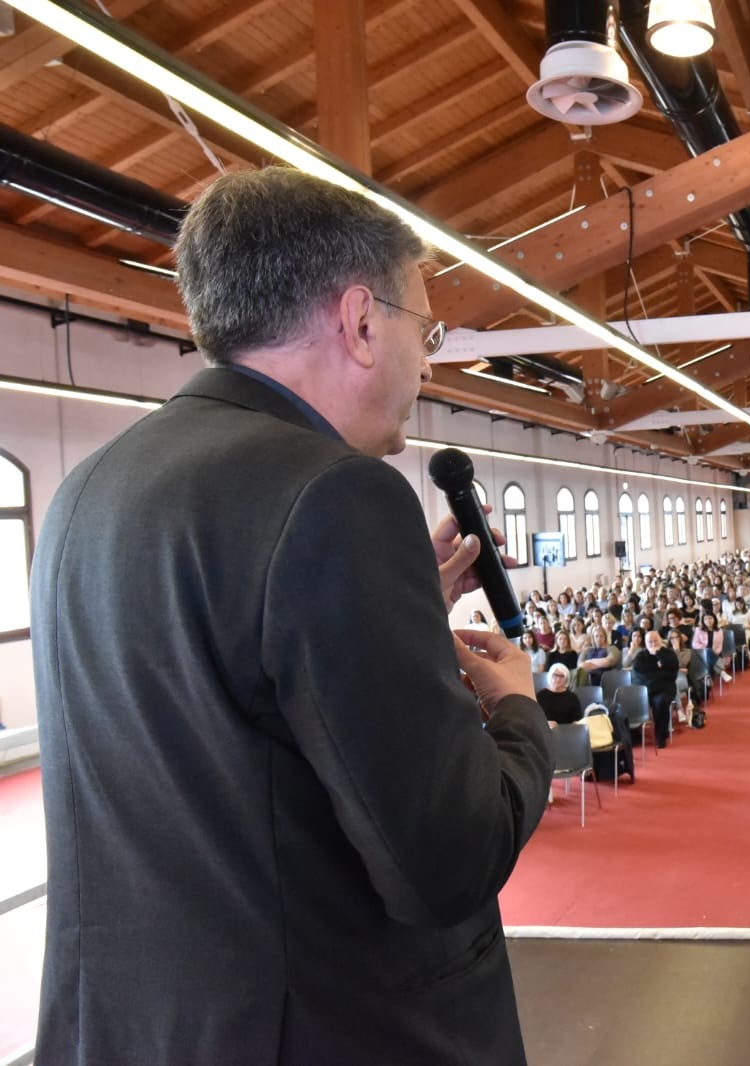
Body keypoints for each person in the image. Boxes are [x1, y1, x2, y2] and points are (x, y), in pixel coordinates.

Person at [29, 168, 554, 1065]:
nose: (429, 364)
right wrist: (518, 711)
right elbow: (446, 861)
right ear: (361, 322)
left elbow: (223, 716)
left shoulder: (89, 489)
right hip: (323, 1029)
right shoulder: (337, 494)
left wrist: (394, 617)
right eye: (424, 330)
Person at [632, 628, 682, 748]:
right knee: (628, 701)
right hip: (646, 690)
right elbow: (640, 673)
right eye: (650, 642)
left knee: (661, 702)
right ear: (645, 643)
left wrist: (658, 655)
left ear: (661, 640)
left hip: (664, 689)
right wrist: (658, 666)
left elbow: (672, 674)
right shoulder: (641, 656)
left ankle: (661, 736)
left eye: (655, 640)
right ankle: (634, 736)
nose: (653, 644)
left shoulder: (669, 654)